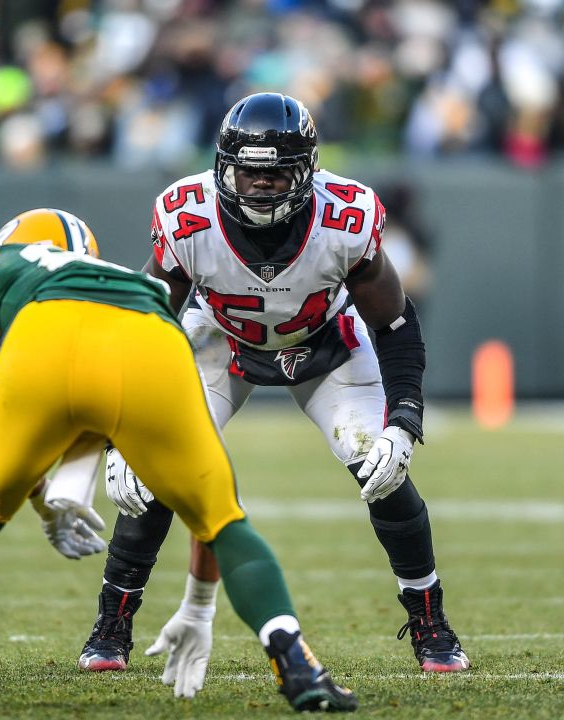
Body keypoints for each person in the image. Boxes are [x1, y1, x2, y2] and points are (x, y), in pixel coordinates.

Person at [0, 208, 357, 713]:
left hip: (46, 339)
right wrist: (198, 609)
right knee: (224, 517)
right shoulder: (130, 281)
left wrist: (39, 498)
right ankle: (296, 662)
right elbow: (106, 397)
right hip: (154, 335)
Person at [79, 93, 469, 683]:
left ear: (306, 170)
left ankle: (430, 622)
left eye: (276, 172)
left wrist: (405, 417)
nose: (260, 185)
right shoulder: (188, 218)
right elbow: (142, 322)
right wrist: (118, 437)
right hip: (219, 342)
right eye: (249, 171)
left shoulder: (346, 218)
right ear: (223, 167)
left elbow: (393, 322)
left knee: (381, 467)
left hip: (326, 345)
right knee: (154, 468)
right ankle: (112, 624)